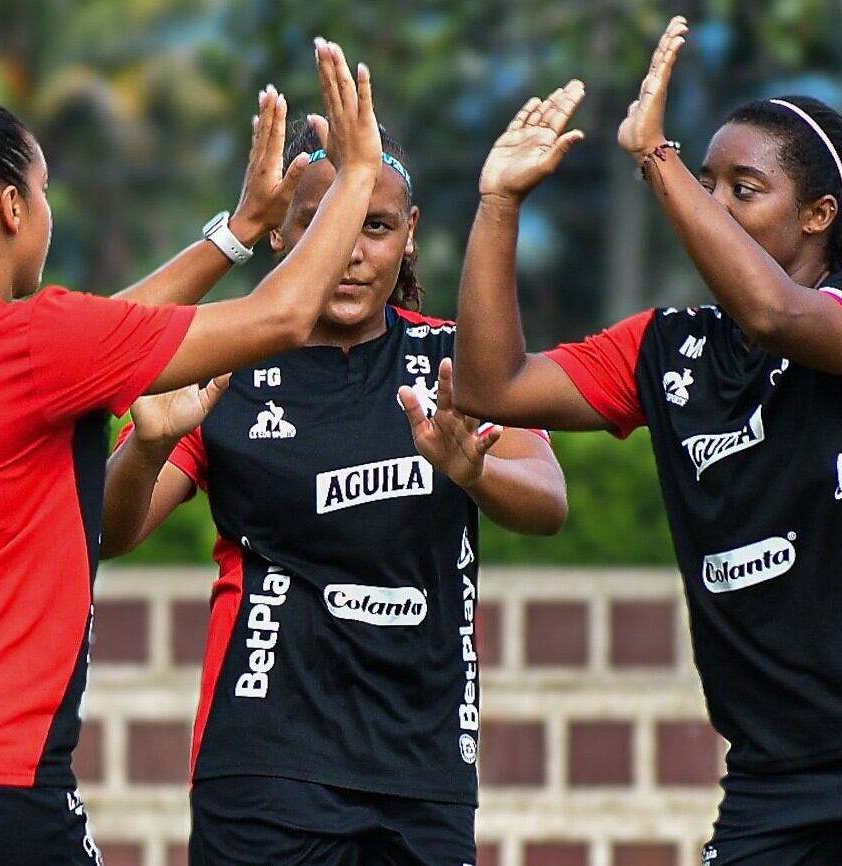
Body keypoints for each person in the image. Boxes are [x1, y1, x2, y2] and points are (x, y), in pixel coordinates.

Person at [0, 39, 384, 866]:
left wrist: (239, 233)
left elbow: (98, 343)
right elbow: (281, 318)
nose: (48, 211)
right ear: (11, 210)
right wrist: (357, 174)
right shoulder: (42, 345)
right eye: (45, 192)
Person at [454, 17, 842, 866]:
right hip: (777, 777)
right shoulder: (668, 348)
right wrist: (499, 204)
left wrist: (654, 158)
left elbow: (773, 314)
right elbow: (493, 388)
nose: (714, 204)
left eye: (744, 188)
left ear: (819, 215)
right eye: (705, 182)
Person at [102, 120, 568, 865]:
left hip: (423, 765)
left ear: (409, 235)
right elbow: (107, 532)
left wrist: (472, 470)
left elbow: (547, 501)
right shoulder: (224, 364)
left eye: (375, 225)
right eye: (322, 223)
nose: (350, 251)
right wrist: (150, 444)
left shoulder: (455, 359)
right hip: (262, 760)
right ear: (280, 234)